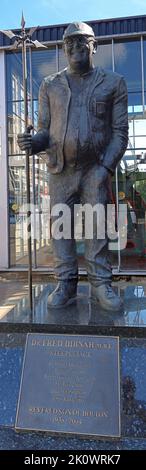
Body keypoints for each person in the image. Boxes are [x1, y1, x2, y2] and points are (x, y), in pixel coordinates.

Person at [18, 21, 128, 311]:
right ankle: (65, 282)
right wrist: (34, 142)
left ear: (94, 46)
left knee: (97, 226)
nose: (75, 48)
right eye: (70, 43)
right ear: (63, 49)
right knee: (60, 229)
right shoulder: (49, 85)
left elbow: (120, 133)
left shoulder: (113, 83)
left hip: (96, 169)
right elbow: (44, 130)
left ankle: (101, 283)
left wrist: (104, 169)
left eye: (82, 42)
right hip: (60, 170)